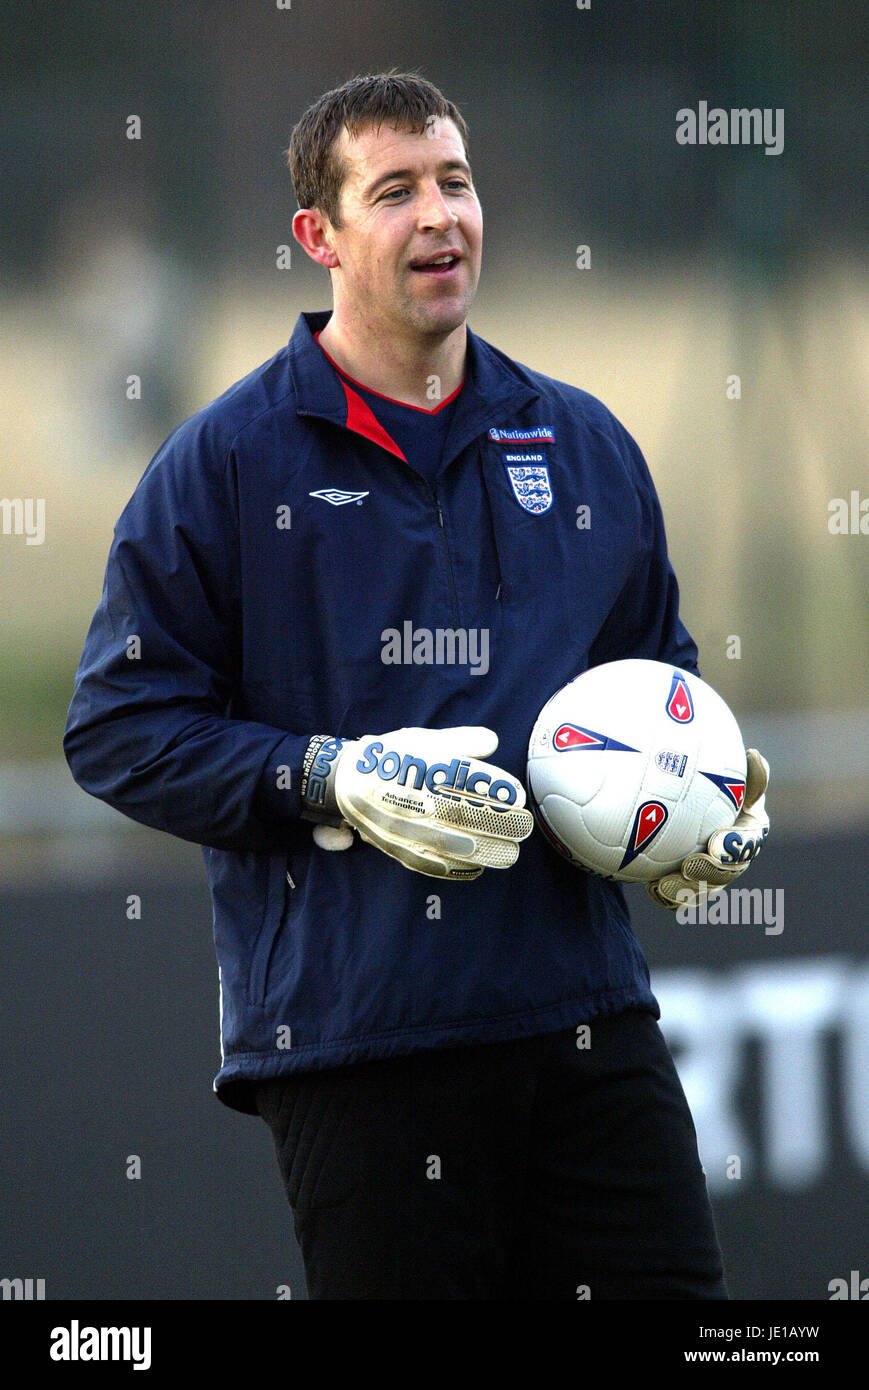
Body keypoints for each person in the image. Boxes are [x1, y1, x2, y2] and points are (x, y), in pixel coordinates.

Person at [64, 71, 770, 1301]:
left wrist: (704, 802)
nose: (440, 213)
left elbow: (658, 677)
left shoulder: (583, 439)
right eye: (394, 191)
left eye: (455, 180)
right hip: (358, 1042)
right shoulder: (224, 464)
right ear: (318, 238)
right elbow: (121, 726)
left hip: (586, 1018)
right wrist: (319, 775)